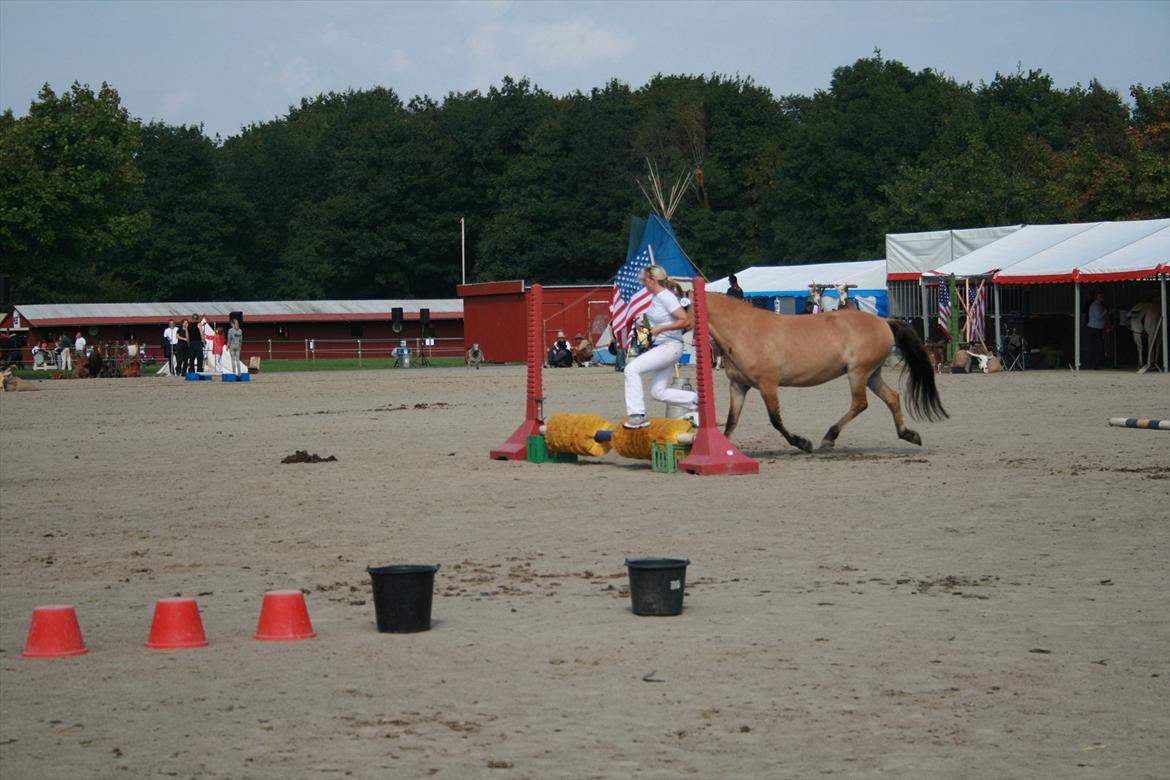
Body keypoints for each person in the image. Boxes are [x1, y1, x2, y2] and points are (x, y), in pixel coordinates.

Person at [621, 265, 699, 429]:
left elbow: (685, 320)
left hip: (670, 346)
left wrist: (660, 329)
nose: (643, 284)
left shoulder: (666, 297)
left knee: (631, 369)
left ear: (652, 280)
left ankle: (637, 415)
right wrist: (644, 331)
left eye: (644, 280)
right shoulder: (657, 298)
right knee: (658, 393)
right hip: (662, 346)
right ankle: (696, 400)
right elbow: (651, 325)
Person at [1086, 291, 1107, 369]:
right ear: (1097, 297)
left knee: (1096, 347)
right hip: (1095, 328)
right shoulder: (1095, 305)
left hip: (1096, 328)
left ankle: (1095, 364)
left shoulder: (1097, 305)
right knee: (1096, 347)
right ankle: (1095, 365)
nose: (1102, 297)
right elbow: (1098, 316)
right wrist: (1105, 312)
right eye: (1101, 296)